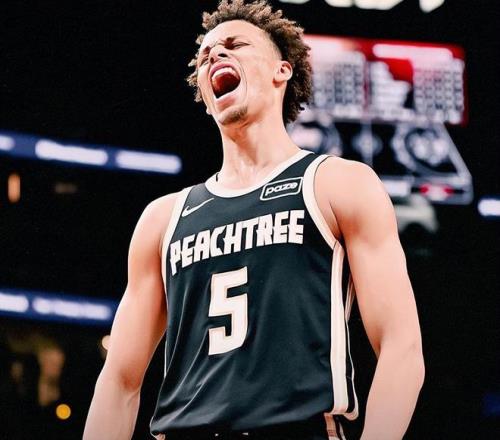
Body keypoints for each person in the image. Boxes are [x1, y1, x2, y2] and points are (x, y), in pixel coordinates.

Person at [83, 1, 424, 439]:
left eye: (234, 44)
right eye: (205, 56)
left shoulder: (337, 184)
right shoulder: (163, 219)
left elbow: (401, 346)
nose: (214, 55)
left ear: (282, 70)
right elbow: (118, 381)